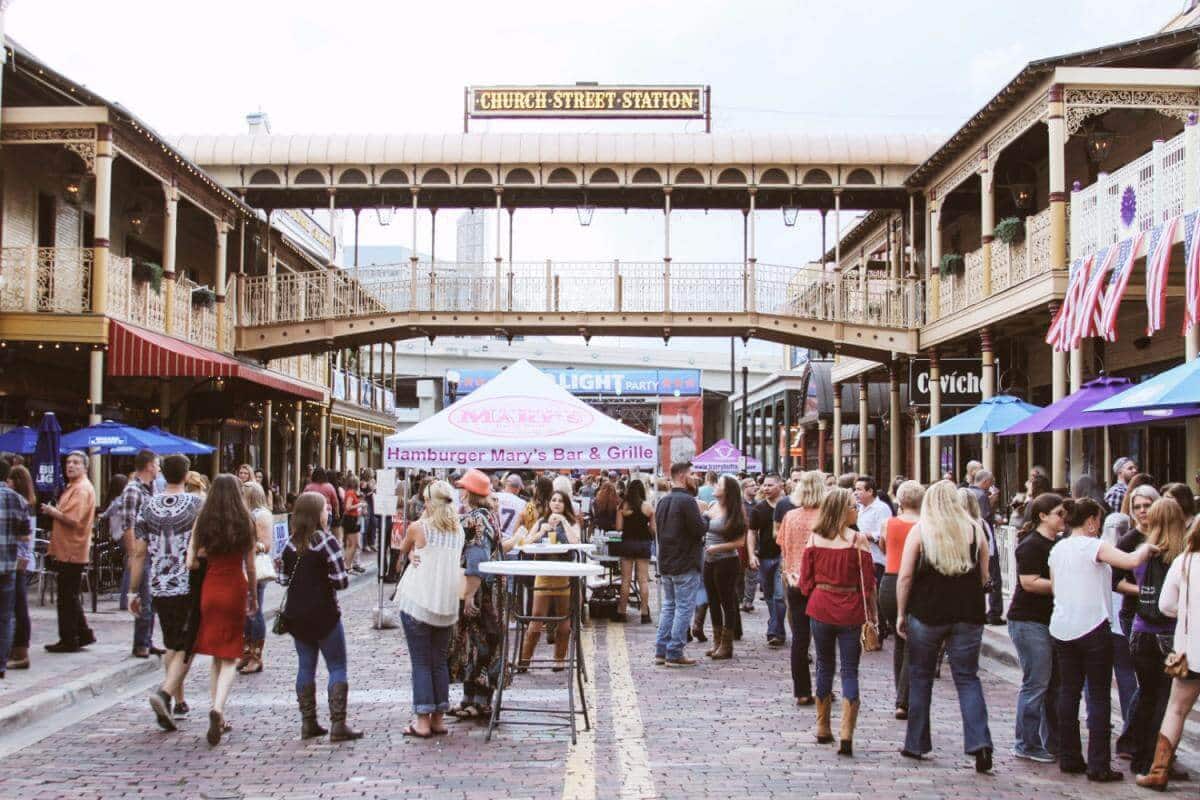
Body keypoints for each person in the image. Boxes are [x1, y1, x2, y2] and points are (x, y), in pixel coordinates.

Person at [1049, 497, 1156, 782]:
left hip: (1062, 625)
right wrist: (1150, 546)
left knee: (1068, 692)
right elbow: (1132, 560)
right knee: (1097, 696)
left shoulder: (1058, 549)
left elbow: (1056, 587)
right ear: (1092, 521)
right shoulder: (1094, 545)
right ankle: (1098, 764)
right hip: (1093, 624)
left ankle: (1069, 756)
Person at [896, 480, 993, 772]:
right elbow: (984, 576)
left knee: (921, 676)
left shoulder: (921, 530)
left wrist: (901, 612)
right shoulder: (975, 530)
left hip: (927, 611)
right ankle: (980, 743)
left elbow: (905, 577)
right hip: (968, 613)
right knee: (967, 678)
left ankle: (916, 743)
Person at [279, 491, 362, 742]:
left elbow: (283, 579)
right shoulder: (326, 542)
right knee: (336, 666)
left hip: (297, 614)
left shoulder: (290, 544)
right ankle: (338, 723)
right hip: (324, 613)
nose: (329, 513)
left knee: (306, 666)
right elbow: (340, 581)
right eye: (325, 509)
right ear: (317, 514)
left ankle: (308, 721)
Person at [129, 454, 204, 731]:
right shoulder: (197, 504)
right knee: (189, 642)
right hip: (189, 581)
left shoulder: (147, 506)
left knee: (172, 641)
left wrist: (133, 591)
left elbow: (138, 551)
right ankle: (166, 693)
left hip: (159, 582)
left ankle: (178, 699)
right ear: (186, 475)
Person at [800, 487, 876, 756]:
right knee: (850, 670)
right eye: (852, 506)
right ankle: (846, 732)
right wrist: (873, 616)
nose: (856, 510)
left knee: (824, 665)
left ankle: (822, 727)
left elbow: (804, 581)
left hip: (821, 606)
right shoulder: (858, 541)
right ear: (842, 510)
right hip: (851, 609)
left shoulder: (815, 539)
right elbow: (868, 585)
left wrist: (819, 591)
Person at [187, 474, 258, 746]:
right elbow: (250, 566)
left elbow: (195, 558)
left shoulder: (204, 521)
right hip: (233, 587)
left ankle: (219, 710)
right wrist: (253, 595)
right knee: (230, 656)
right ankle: (218, 708)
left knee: (217, 654)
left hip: (211, 586)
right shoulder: (245, 522)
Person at [395, 480, 464, 738]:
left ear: (428, 503)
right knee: (439, 662)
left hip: (418, 600)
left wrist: (412, 552)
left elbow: (401, 550)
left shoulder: (418, 527)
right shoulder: (459, 531)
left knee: (421, 662)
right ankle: (438, 719)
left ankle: (421, 721)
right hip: (445, 605)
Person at [1125, 497, 1187, 778]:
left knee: (1148, 695)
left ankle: (1139, 755)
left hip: (1140, 630)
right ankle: (1157, 760)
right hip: (1167, 632)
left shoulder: (1142, 553)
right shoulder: (1180, 558)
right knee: (1166, 700)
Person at [1139, 513, 1200, 789]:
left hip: (1190, 650)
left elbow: (1165, 606)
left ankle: (1159, 770)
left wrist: (1189, 613)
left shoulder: (1184, 561)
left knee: (1176, 709)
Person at [1006, 491, 1065, 763]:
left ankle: (1051, 741)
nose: (1064, 518)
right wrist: (1064, 584)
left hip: (1048, 620)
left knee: (1052, 684)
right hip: (1028, 620)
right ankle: (1026, 743)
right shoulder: (1032, 545)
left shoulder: (1059, 543)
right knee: (1036, 682)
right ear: (1043, 516)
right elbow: (1029, 582)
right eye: (1059, 514)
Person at [447, 469, 504, 721]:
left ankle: (479, 701)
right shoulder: (488, 516)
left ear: (469, 492)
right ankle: (470, 698)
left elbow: (476, 560)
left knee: (479, 645)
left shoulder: (475, 520)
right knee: (475, 645)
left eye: (462, 489)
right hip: (491, 591)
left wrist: (470, 594)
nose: (459, 493)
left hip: (482, 592)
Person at [1112, 483, 1160, 757]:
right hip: (1135, 613)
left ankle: (1142, 738)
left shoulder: (1165, 536)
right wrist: (1145, 590)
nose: (1143, 511)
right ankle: (1131, 738)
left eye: (1147, 505)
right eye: (1138, 507)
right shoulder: (1129, 540)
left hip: (1162, 616)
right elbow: (1116, 582)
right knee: (1146, 680)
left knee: (1155, 682)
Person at [514, 490, 581, 670]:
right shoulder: (541, 522)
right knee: (536, 617)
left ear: (566, 504)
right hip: (542, 573)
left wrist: (565, 522)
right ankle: (524, 660)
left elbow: (576, 543)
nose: (557, 503)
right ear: (549, 503)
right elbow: (525, 544)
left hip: (563, 574)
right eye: (553, 500)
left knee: (563, 618)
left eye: (561, 501)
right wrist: (541, 531)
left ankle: (559, 659)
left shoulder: (571, 523)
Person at [778, 470, 826, 704]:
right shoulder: (826, 517)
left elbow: (783, 547)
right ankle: (824, 686)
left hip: (795, 579)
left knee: (800, 636)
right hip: (821, 582)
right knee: (824, 637)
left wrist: (787, 571)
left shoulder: (790, 516)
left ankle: (802, 690)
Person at [654, 462, 708, 667]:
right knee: (683, 607)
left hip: (666, 561)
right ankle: (675, 651)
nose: (695, 478)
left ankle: (661, 649)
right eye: (693, 475)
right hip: (685, 561)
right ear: (684, 477)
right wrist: (707, 518)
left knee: (669, 606)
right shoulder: (687, 502)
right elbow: (699, 529)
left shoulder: (663, 501)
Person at [878, 480, 924, 720]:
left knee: (900, 640)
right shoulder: (925, 525)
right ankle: (903, 699)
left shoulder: (888, 523)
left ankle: (901, 695)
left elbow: (885, 549)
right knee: (912, 641)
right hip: (914, 583)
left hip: (889, 581)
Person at [43, 451, 97, 653]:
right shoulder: (73, 487)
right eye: (68, 462)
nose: (70, 466)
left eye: (75, 463)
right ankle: (82, 633)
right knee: (69, 594)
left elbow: (74, 519)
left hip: (72, 550)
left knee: (67, 596)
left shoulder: (81, 489)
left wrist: (52, 512)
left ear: (85, 467)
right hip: (68, 548)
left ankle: (69, 639)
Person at [118, 450, 160, 658]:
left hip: (152, 550)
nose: (159, 468)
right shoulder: (133, 490)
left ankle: (147, 639)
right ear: (149, 466)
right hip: (141, 552)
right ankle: (141, 643)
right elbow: (128, 525)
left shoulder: (151, 489)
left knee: (149, 597)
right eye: (157, 464)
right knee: (143, 596)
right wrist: (133, 554)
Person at [701, 474, 747, 660]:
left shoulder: (736, 511)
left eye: (718, 484)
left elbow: (740, 542)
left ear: (727, 490)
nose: (714, 486)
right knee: (712, 602)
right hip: (709, 560)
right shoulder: (712, 505)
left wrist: (716, 547)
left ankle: (727, 646)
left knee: (727, 602)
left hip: (726, 562)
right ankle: (717, 642)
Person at [748, 473, 794, 647]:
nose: (765, 488)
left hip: (783, 556)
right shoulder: (759, 508)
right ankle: (776, 624)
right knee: (768, 595)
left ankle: (775, 631)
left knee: (779, 596)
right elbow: (752, 532)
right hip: (765, 556)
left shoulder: (790, 506)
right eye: (764, 485)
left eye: (770, 485)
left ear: (780, 485)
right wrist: (752, 554)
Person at [238, 481, 274, 675]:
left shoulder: (261, 515)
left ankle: (256, 655)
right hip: (241, 566)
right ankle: (245, 650)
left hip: (255, 568)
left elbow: (265, 545)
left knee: (254, 610)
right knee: (244, 613)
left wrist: (249, 545)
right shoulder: (245, 513)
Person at [0, 458, 31, 677]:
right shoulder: (18, 500)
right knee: (5, 616)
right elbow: (24, 535)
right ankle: (1, 663)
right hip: (7, 565)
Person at [613, 479, 654, 624]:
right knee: (643, 580)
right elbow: (653, 530)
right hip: (643, 544)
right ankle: (644, 613)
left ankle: (622, 612)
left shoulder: (623, 506)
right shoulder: (648, 507)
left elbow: (618, 528)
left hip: (627, 543)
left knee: (626, 580)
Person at [6, 465, 35, 671]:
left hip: (16, 558)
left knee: (17, 605)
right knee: (17, 604)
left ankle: (20, 649)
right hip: (19, 558)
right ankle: (17, 648)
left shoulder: (17, 501)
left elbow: (25, 535)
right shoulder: (21, 501)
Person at [854, 475, 893, 595]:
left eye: (859, 489)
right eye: (855, 489)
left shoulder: (881, 508)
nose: (856, 493)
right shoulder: (858, 508)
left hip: (876, 560)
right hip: (860, 558)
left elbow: (884, 533)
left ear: (870, 491)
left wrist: (863, 535)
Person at [740, 477, 762, 614]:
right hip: (739, 542)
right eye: (751, 485)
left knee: (752, 572)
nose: (755, 487)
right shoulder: (738, 505)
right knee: (738, 573)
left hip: (755, 542)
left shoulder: (759, 505)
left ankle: (748, 601)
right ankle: (740, 598)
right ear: (744, 488)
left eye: (755, 485)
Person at [303, 467, 341, 536]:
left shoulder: (309, 487)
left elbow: (303, 500)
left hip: (312, 513)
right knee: (325, 532)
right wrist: (337, 513)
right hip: (326, 513)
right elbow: (335, 502)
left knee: (312, 533)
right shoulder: (329, 487)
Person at [495, 473, 528, 543]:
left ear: (505, 485)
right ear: (518, 489)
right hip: (512, 544)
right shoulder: (523, 503)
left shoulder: (494, 497)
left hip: (496, 544)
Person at [342, 475, 365, 575]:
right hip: (351, 519)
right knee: (354, 544)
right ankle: (347, 566)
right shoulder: (351, 493)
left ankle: (347, 565)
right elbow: (348, 507)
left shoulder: (348, 492)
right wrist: (359, 505)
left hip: (348, 519)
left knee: (349, 544)